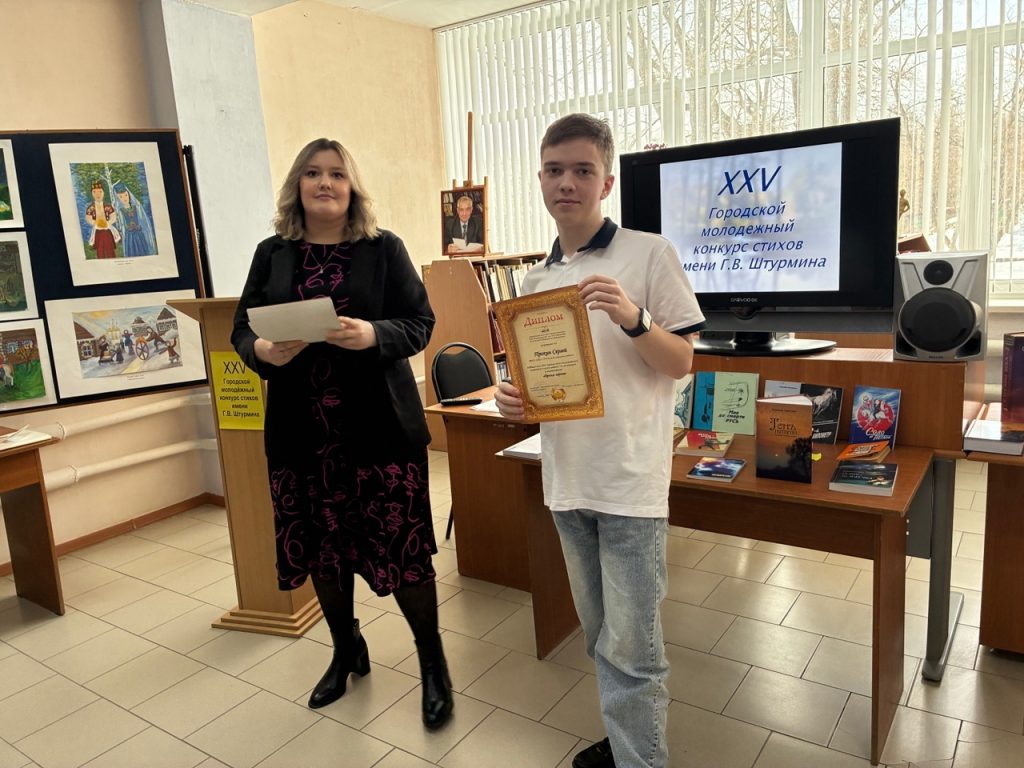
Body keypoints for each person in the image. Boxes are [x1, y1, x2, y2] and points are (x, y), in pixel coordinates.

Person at [495, 114, 705, 768]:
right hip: (567, 481)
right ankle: (626, 744)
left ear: (606, 181)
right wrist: (514, 401)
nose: (567, 182)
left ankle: (640, 760)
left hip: (629, 484)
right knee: (601, 638)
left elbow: (682, 362)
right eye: (555, 170)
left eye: (583, 170)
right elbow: (543, 385)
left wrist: (634, 318)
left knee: (634, 652)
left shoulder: (649, 253)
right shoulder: (534, 281)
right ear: (540, 179)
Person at [231, 137, 453, 730]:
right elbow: (240, 329)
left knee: (404, 553)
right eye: (312, 173)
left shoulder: (383, 249)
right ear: (297, 186)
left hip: (379, 433)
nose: (324, 183)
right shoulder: (272, 254)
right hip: (303, 436)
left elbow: (420, 322)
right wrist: (262, 350)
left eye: (335, 173)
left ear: (352, 186)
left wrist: (373, 334)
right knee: (322, 553)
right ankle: (346, 649)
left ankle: (433, 664)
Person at [112, 180, 157, 257]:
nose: (124, 198)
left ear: (129, 195)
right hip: (129, 236)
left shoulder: (137, 207)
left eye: (126, 195)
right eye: (121, 197)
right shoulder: (120, 211)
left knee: (142, 251)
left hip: (139, 234)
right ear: (118, 198)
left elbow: (142, 220)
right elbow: (120, 225)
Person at [84, 180, 120, 259]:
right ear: (92, 193)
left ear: (103, 193)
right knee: (100, 249)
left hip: (107, 230)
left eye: (100, 192)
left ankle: (113, 260)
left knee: (110, 248)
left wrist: (108, 223)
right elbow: (88, 218)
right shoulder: (91, 208)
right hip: (98, 231)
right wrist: (95, 223)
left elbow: (113, 217)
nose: (98, 194)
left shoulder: (108, 206)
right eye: (94, 192)